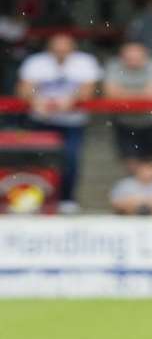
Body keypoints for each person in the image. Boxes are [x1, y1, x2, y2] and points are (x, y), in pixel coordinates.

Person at [15, 32, 100, 211]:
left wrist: (70, 99)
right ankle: (36, 199)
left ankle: (66, 199)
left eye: (64, 47)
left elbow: (89, 90)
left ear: (72, 47)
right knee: (37, 161)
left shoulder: (85, 62)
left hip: (72, 122)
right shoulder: (36, 62)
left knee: (70, 160)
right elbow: (23, 89)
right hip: (41, 120)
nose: (60, 51)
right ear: (50, 48)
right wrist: (36, 100)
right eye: (57, 47)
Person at [101, 41, 152, 166]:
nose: (133, 62)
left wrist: (123, 95)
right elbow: (110, 95)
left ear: (146, 56)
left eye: (137, 58)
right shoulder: (113, 65)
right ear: (121, 57)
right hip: (124, 122)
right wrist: (142, 95)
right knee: (129, 162)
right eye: (129, 59)